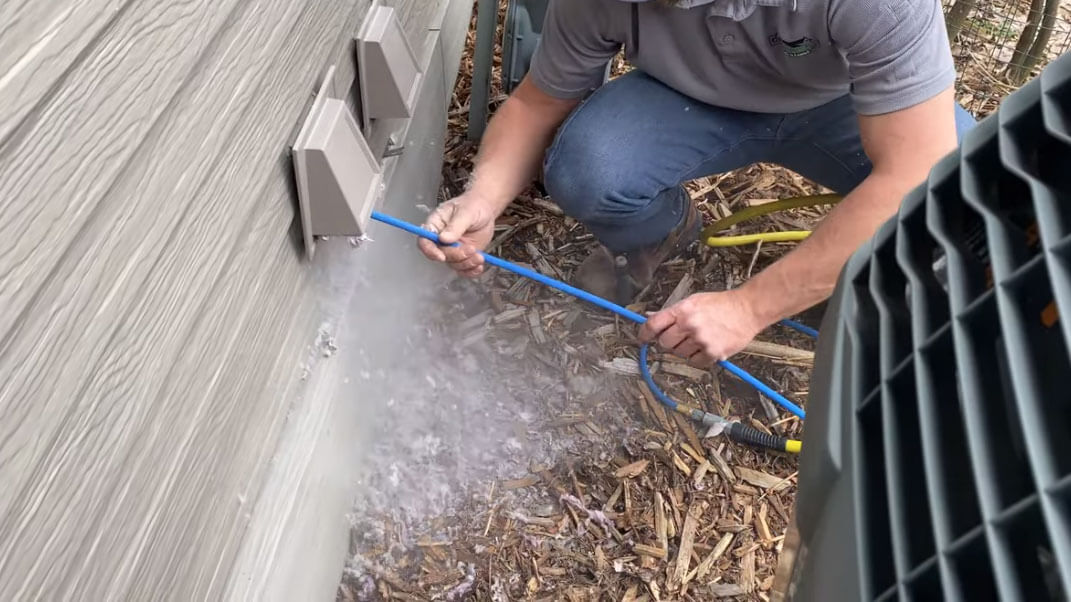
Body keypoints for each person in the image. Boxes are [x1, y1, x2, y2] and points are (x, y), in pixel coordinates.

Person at [419, 0, 975, 368]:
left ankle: (863, 297)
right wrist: (483, 197)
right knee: (590, 171)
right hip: (686, 100)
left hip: (843, 105)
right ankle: (665, 230)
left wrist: (750, 307)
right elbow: (537, 102)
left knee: (968, 191)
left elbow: (915, 170)